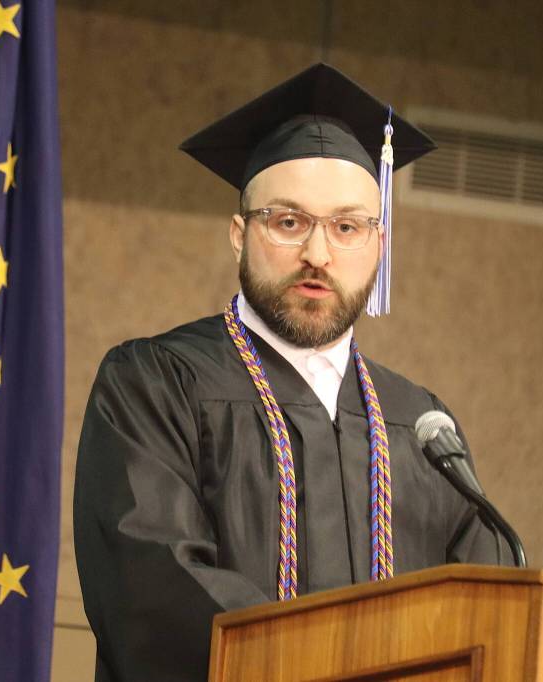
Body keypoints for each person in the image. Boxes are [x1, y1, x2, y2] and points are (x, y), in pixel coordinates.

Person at [74, 63, 507, 682]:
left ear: (378, 246)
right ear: (238, 234)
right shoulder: (156, 383)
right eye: (288, 221)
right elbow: (151, 591)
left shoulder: (421, 424)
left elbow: (483, 611)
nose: (318, 253)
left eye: (347, 226)